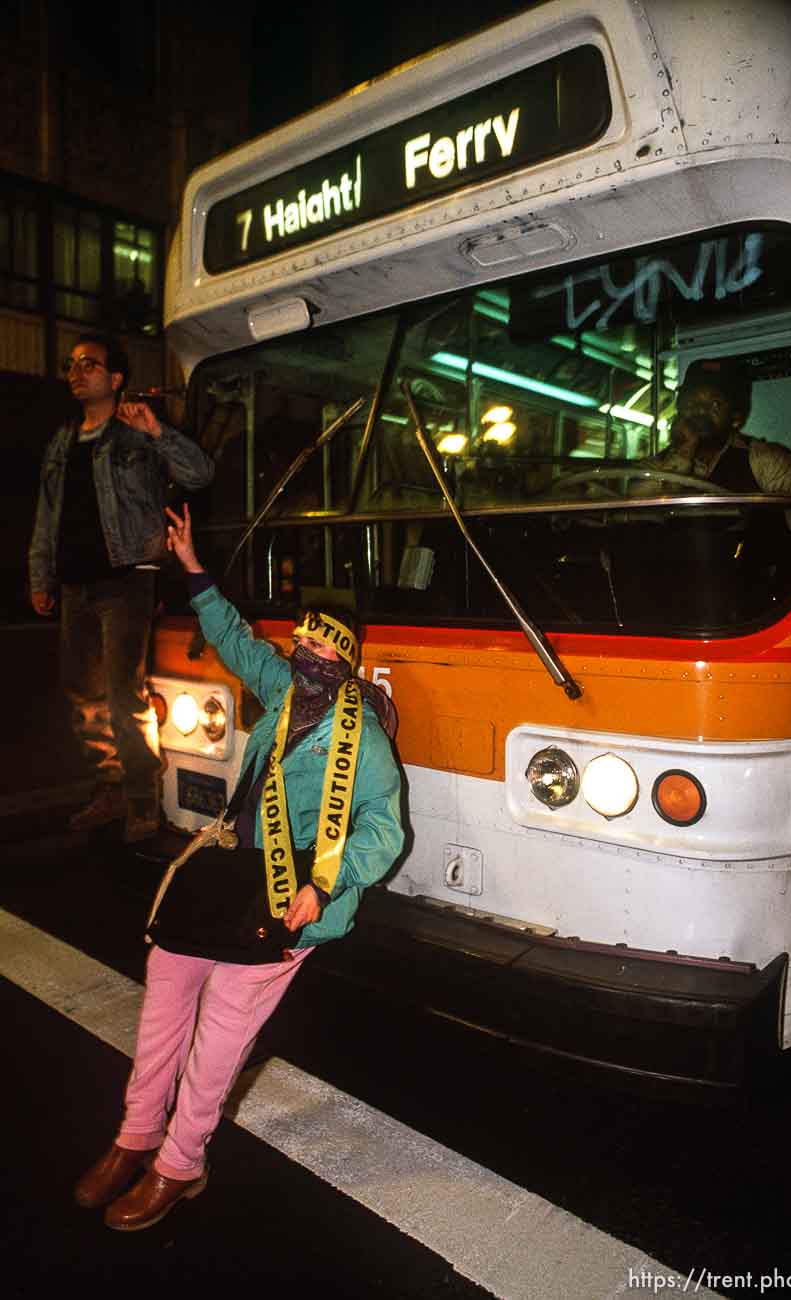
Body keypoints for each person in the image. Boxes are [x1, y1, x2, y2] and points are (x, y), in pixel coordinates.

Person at [73, 502, 404, 1231]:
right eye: (302, 651)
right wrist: (191, 564)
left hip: (289, 899)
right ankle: (134, 1136)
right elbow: (230, 636)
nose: (306, 663)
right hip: (224, 875)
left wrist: (326, 882)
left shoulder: (367, 743)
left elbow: (386, 831)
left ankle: (180, 1163)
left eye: (323, 657)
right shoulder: (283, 691)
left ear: (345, 666)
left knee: (222, 1033)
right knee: (163, 1000)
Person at [28, 332, 215, 842]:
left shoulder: (134, 433)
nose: (77, 370)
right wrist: (40, 575)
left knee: (121, 693)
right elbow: (47, 516)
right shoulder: (62, 442)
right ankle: (109, 790)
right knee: (83, 694)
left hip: (128, 576)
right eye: (72, 363)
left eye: (90, 364)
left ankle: (141, 800)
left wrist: (158, 432)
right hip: (75, 583)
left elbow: (200, 473)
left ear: (115, 380)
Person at [643, 357, 791, 543]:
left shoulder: (761, 460)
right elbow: (636, 513)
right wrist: (683, 453)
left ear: (736, 417)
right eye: (691, 401)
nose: (700, 411)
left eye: (715, 404)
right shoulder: (656, 466)